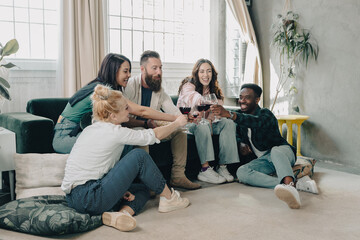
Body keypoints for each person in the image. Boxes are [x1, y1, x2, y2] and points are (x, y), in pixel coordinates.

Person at [61, 84, 190, 232]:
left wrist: (120, 190)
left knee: (143, 189)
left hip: (73, 199)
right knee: (139, 156)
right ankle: (169, 198)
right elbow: (153, 136)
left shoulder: (89, 130)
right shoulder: (115, 132)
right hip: (91, 196)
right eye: (125, 108)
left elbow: (97, 169)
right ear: (113, 115)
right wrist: (177, 123)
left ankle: (121, 214)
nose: (129, 110)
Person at [211, 83, 318, 209]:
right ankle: (292, 184)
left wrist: (230, 115)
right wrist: (241, 143)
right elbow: (236, 132)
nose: (242, 101)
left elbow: (255, 122)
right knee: (242, 172)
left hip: (282, 153)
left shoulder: (265, 114)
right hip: (265, 161)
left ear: (257, 100)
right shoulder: (239, 115)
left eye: (247, 97)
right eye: (240, 97)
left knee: (275, 151)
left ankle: (290, 187)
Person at [53, 53, 178, 154]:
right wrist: (175, 119)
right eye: (125, 71)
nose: (129, 75)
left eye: (129, 71)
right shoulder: (105, 91)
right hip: (66, 136)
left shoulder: (102, 86)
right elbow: (141, 111)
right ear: (114, 71)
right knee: (123, 143)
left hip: (72, 132)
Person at [123, 50, 200, 190]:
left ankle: (178, 176)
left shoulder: (158, 89)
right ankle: (147, 183)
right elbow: (125, 119)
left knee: (179, 130)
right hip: (134, 127)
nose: (159, 72)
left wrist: (186, 117)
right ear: (142, 69)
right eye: (154, 68)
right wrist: (145, 123)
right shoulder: (129, 86)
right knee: (142, 136)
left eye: (160, 68)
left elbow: (173, 111)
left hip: (152, 125)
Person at [177, 59, 240, 184]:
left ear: (213, 73)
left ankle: (222, 166)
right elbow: (191, 96)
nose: (205, 75)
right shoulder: (189, 84)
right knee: (203, 124)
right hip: (189, 122)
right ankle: (205, 169)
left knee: (228, 123)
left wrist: (212, 116)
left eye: (209, 71)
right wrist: (204, 101)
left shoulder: (213, 89)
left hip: (206, 122)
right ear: (197, 73)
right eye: (202, 71)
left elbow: (215, 111)